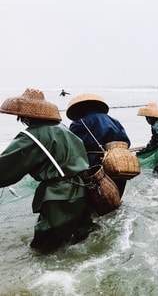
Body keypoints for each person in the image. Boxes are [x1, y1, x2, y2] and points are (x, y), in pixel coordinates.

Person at [0, 88, 94, 252]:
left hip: (60, 197)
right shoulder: (64, 129)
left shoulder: (32, 136)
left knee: (44, 249)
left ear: (23, 115)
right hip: (84, 190)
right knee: (80, 240)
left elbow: (7, 166)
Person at [66, 94, 131, 197]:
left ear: (80, 109)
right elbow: (126, 142)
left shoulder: (79, 123)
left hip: (96, 166)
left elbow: (72, 148)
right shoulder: (114, 120)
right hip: (118, 163)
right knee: (116, 197)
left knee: (99, 200)